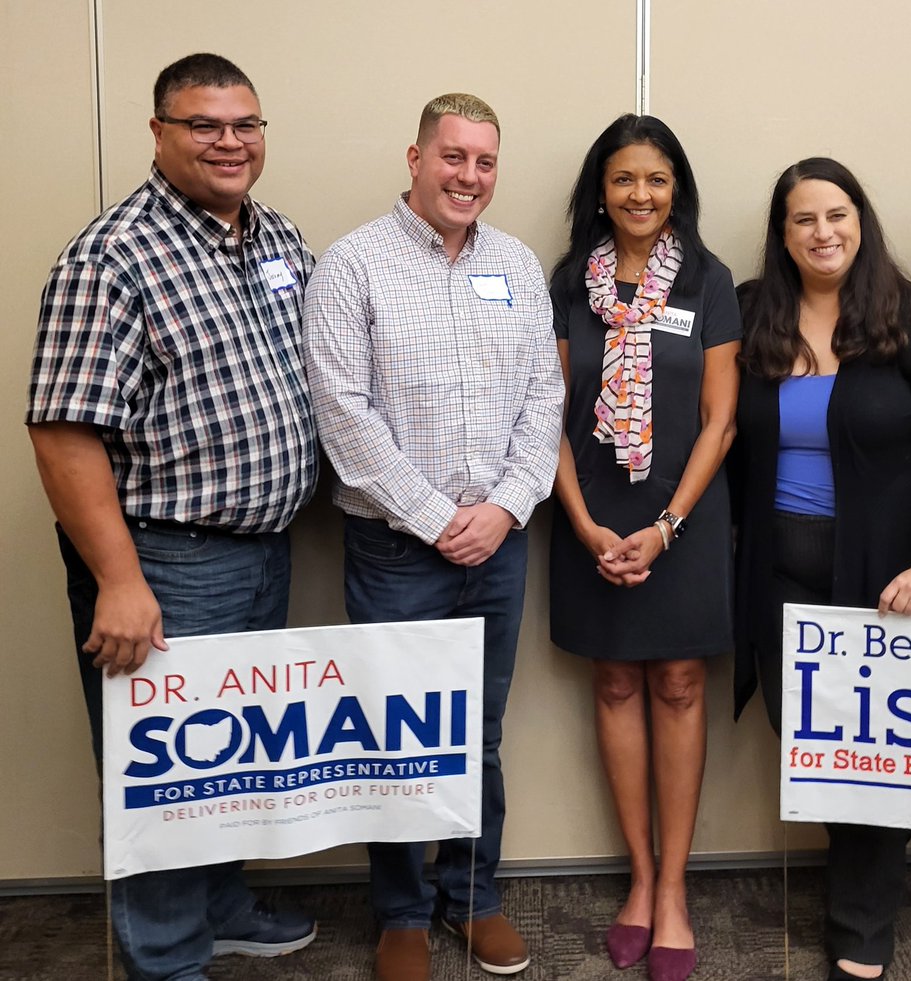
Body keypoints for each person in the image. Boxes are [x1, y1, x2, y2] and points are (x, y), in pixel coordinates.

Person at [25, 53, 318, 981]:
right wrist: (118, 578)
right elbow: (64, 434)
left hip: (264, 549)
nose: (229, 141)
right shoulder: (111, 256)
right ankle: (164, 956)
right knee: (162, 774)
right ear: (158, 133)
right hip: (165, 557)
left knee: (227, 759)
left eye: (245, 124)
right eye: (204, 124)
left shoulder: (275, 238)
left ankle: (220, 909)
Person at [303, 93, 562, 981]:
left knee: (477, 733)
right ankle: (402, 913)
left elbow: (544, 400)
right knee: (396, 734)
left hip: (500, 542)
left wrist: (506, 506)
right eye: (453, 157)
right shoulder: (352, 266)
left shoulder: (519, 267)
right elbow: (343, 412)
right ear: (413, 157)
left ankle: (473, 898)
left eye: (486, 162)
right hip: (395, 548)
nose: (470, 177)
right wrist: (434, 517)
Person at [730, 158, 911, 981]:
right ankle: (861, 883)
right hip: (779, 580)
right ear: (783, 233)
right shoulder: (752, 312)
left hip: (886, 584)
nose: (823, 232)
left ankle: (862, 926)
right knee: (810, 743)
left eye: (836, 214)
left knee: (872, 749)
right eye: (804, 220)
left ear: (860, 219)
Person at [548, 115, 740, 981]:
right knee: (617, 677)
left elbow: (721, 419)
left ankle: (674, 890)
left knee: (679, 680)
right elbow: (543, 415)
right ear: (601, 188)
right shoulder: (566, 283)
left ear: (677, 189)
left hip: (682, 520)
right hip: (589, 516)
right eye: (624, 178)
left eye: (657, 179)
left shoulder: (709, 279)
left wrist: (666, 527)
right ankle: (637, 876)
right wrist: (587, 523)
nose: (640, 195)